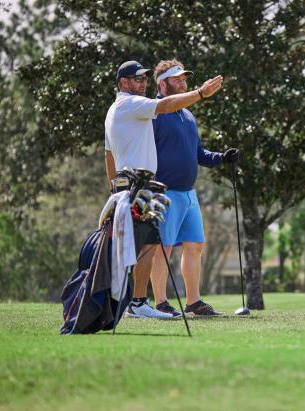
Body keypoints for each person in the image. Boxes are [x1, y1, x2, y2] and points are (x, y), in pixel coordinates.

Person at [104, 60, 223, 319]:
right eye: (137, 79)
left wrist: (113, 187)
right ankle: (143, 302)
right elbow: (165, 105)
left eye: (144, 78)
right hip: (146, 186)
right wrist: (201, 93)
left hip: (143, 186)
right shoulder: (133, 105)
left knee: (145, 245)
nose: (142, 83)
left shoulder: (121, 108)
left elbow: (108, 154)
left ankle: (137, 302)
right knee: (149, 246)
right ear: (124, 82)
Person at [148, 59, 239, 317]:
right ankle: (161, 303)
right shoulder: (155, 111)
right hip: (163, 193)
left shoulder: (188, 115)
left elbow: (198, 153)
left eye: (184, 79)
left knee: (195, 246)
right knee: (162, 250)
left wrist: (221, 157)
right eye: (177, 80)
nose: (183, 83)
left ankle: (193, 302)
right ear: (162, 84)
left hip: (188, 193)